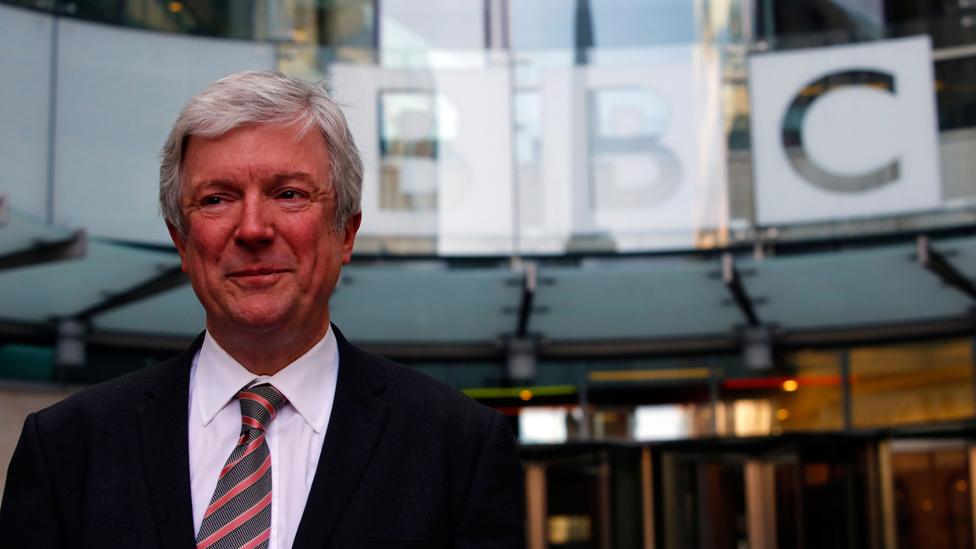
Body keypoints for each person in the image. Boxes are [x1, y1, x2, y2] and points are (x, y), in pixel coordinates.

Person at [0, 71, 524, 548]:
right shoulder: (66, 448)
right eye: (216, 199)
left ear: (346, 232)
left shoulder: (459, 447)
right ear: (181, 244)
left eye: (289, 193)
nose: (252, 229)